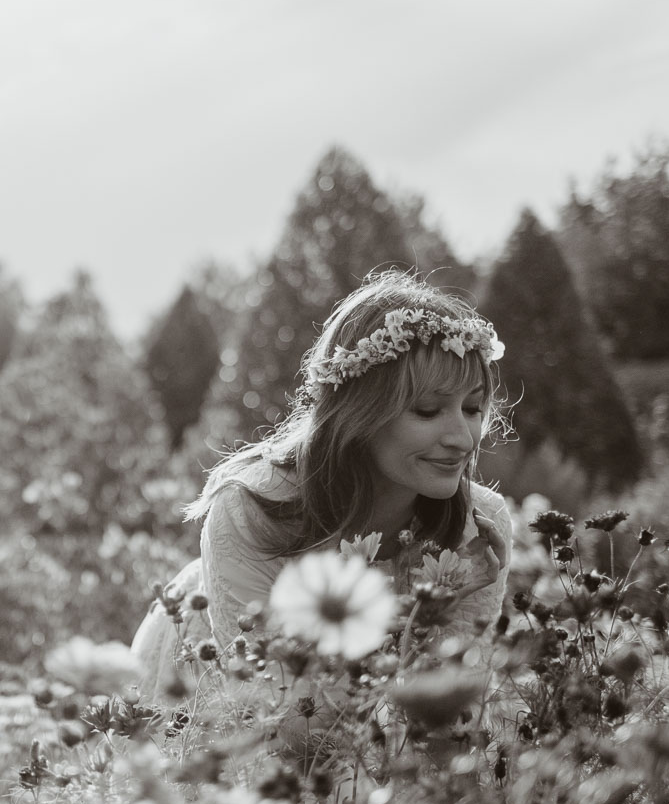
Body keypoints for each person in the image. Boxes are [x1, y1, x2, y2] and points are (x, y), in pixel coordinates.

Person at [132, 269, 513, 703]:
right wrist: (415, 618)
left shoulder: (479, 527)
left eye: (472, 408)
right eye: (428, 411)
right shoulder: (251, 511)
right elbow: (279, 713)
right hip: (209, 696)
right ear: (359, 412)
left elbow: (454, 716)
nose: (463, 439)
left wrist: (443, 613)